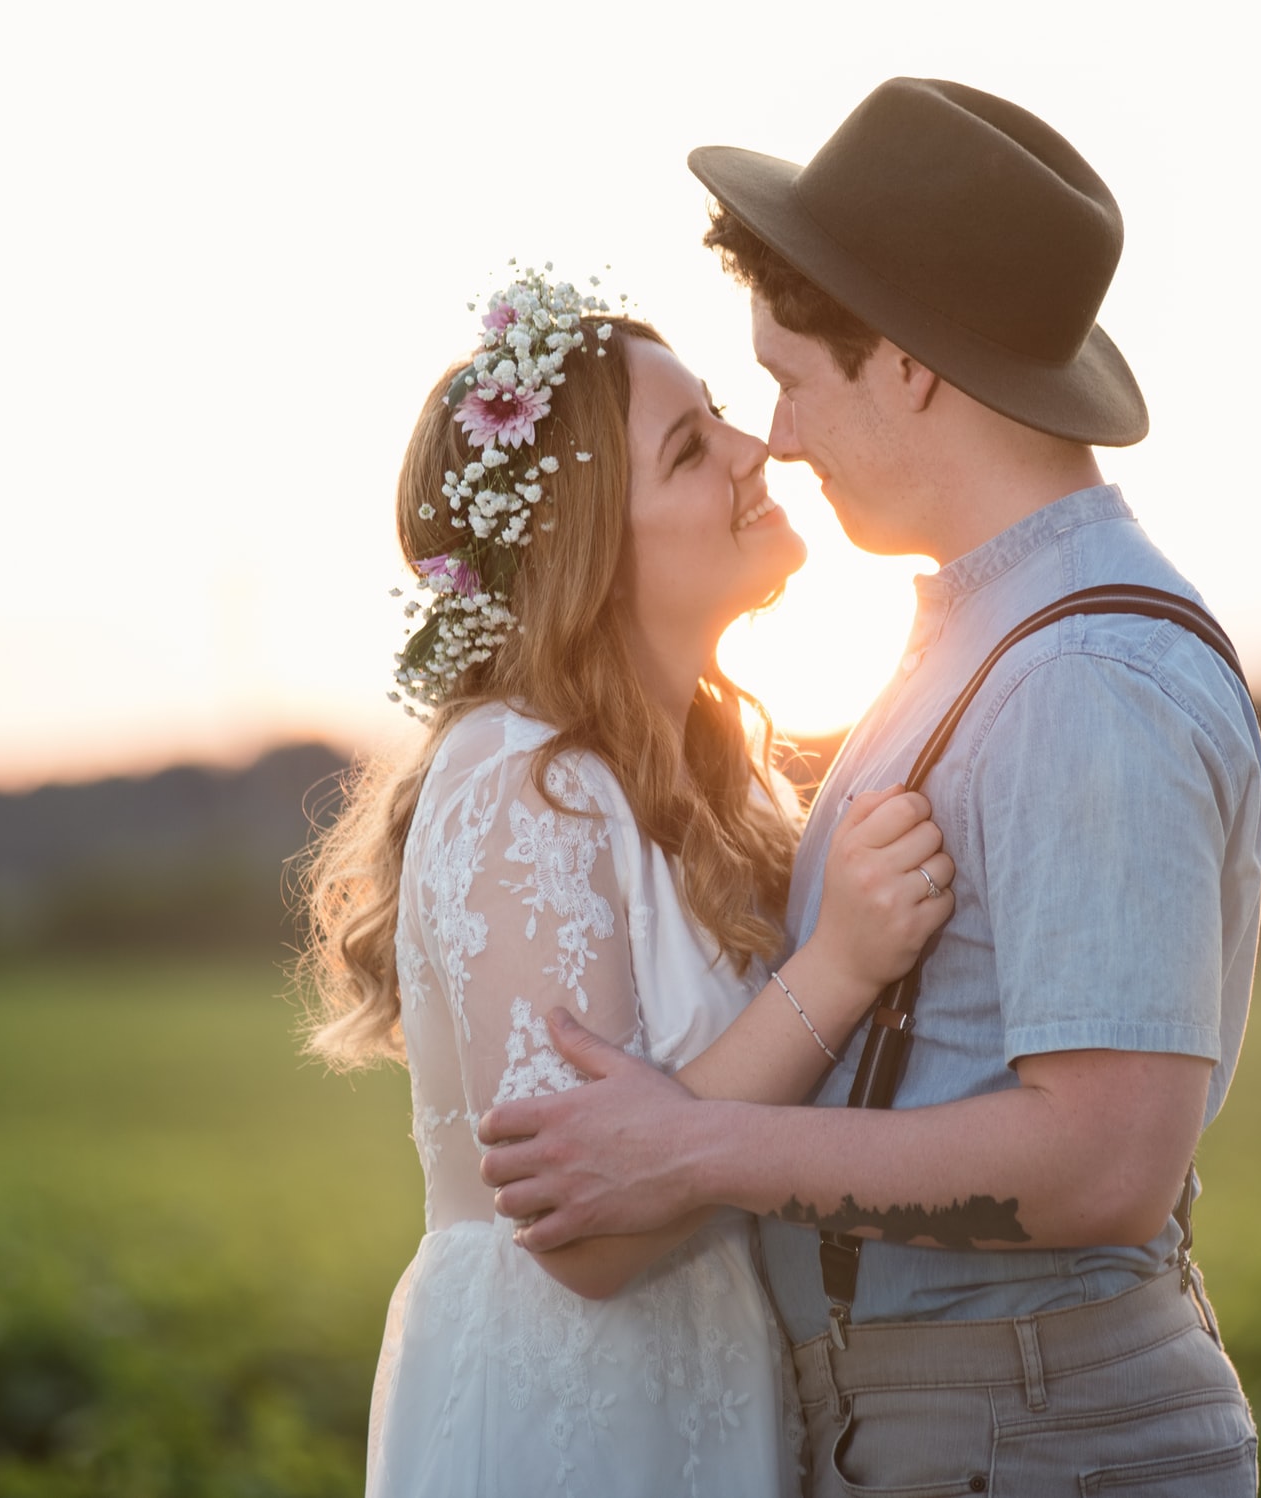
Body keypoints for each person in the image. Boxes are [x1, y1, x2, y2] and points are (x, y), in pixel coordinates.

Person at [476, 80, 1261, 1495]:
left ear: (903, 364)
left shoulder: (1082, 678)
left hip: (1028, 1429)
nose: (774, 435)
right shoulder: (982, 635)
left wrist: (695, 1150)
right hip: (971, 1424)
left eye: (789, 375)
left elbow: (1103, 1161)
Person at [297, 265, 960, 1498]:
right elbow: (585, 1237)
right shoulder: (518, 779)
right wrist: (842, 964)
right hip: (571, 1420)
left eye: (722, 415)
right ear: (591, 554)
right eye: (691, 448)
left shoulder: (722, 779)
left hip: (723, 1389)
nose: (757, 448)